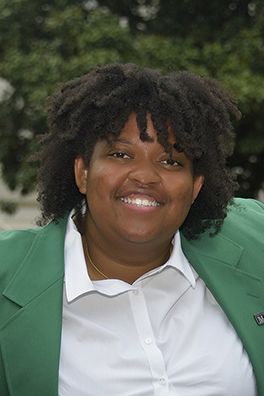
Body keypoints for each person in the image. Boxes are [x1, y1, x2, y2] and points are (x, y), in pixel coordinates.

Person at [0, 63, 263, 396]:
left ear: (195, 186)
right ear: (83, 172)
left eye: (170, 161)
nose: (145, 176)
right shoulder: (7, 273)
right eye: (121, 154)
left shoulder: (256, 238)